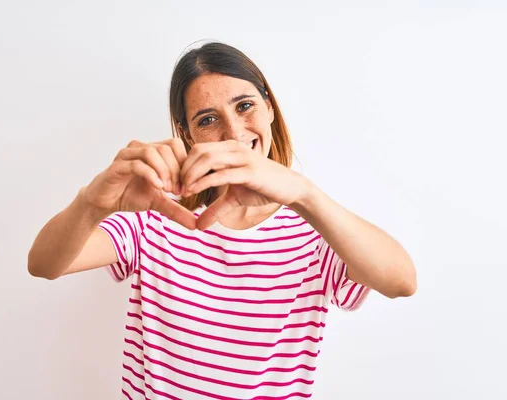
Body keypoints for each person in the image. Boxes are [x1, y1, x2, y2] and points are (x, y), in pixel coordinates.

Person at [28, 41, 417, 399]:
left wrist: (304, 194)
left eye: (244, 106)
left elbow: (401, 281)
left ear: (269, 108)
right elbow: (44, 265)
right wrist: (94, 202)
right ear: (188, 134)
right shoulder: (155, 218)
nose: (232, 132)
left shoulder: (312, 229)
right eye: (208, 119)